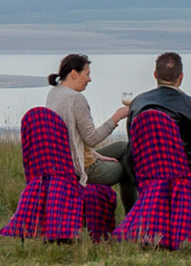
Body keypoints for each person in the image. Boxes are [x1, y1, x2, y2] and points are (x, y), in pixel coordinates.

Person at [108, 52, 191, 208]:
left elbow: (133, 141)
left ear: (155, 74)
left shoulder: (139, 102)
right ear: (181, 77)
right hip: (182, 175)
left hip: (145, 173)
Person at [43, 54, 131, 187]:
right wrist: (116, 118)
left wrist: (95, 154)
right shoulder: (76, 98)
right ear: (73, 74)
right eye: (87, 74)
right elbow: (92, 139)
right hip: (80, 166)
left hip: (64, 159)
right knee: (128, 167)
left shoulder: (54, 93)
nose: (89, 79)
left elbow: (70, 136)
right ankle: (133, 207)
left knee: (123, 147)